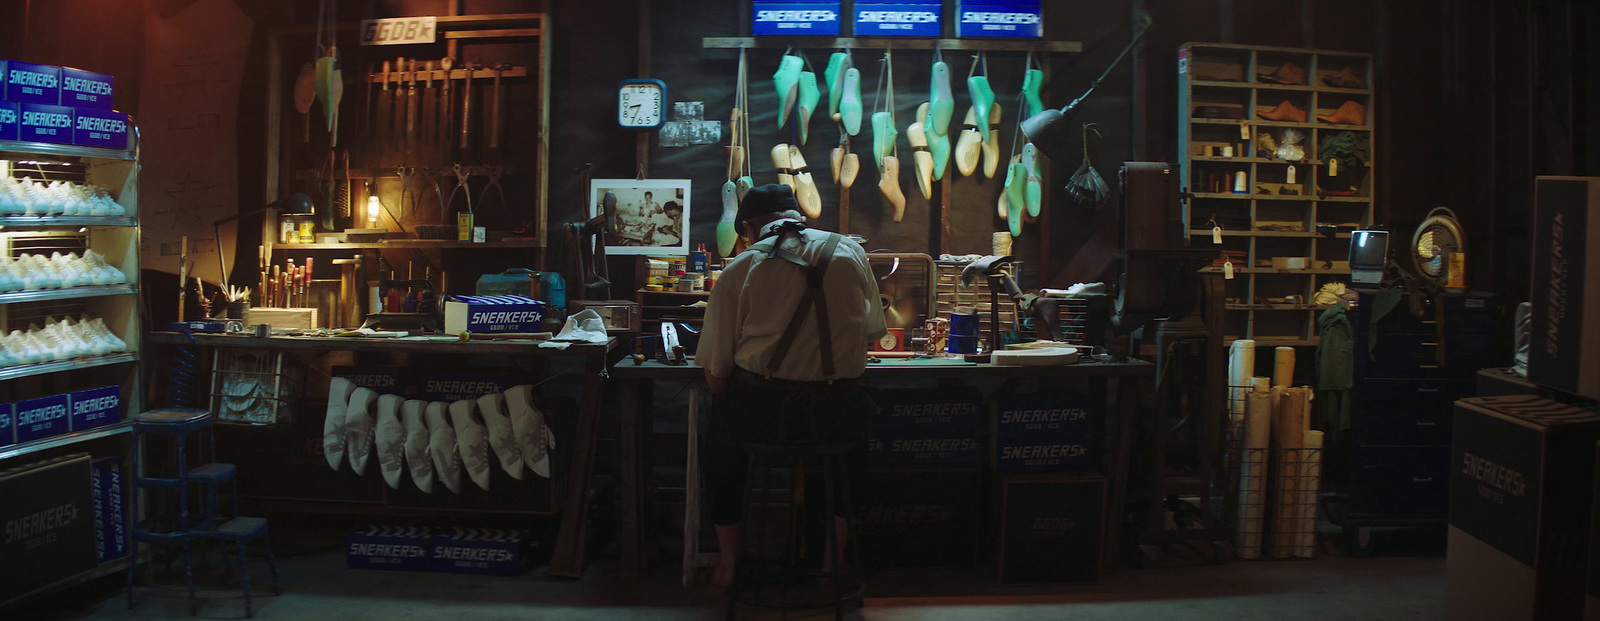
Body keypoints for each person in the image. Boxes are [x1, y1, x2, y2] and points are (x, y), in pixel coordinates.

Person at [697, 184, 885, 590]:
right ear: (800, 216)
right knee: (847, 459)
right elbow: (872, 333)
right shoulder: (850, 251)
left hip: (762, 416)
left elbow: (715, 378)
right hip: (835, 413)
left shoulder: (739, 269)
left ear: (748, 227)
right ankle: (833, 561)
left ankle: (728, 563)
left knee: (721, 455)